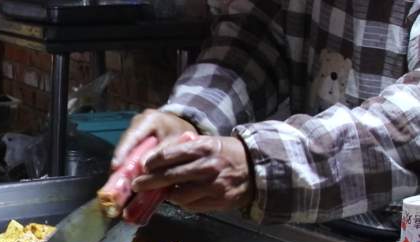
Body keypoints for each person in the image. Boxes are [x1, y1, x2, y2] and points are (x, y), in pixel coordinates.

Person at [113, 0, 420, 224]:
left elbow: (410, 124)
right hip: (325, 240)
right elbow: (254, 39)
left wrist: (259, 160)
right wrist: (188, 119)